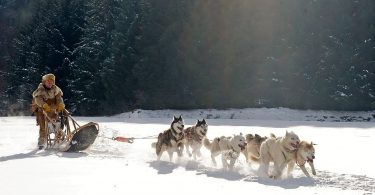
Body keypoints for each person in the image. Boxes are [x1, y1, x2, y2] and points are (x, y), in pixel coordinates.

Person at [31, 73, 65, 149]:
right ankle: (41, 142)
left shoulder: (56, 89)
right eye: (48, 81)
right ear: (44, 82)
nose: (50, 83)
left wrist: (60, 104)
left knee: (57, 122)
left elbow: (59, 98)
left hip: (52, 109)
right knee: (43, 126)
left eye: (52, 81)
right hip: (41, 110)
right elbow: (38, 100)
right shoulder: (40, 90)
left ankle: (59, 137)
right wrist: (44, 105)